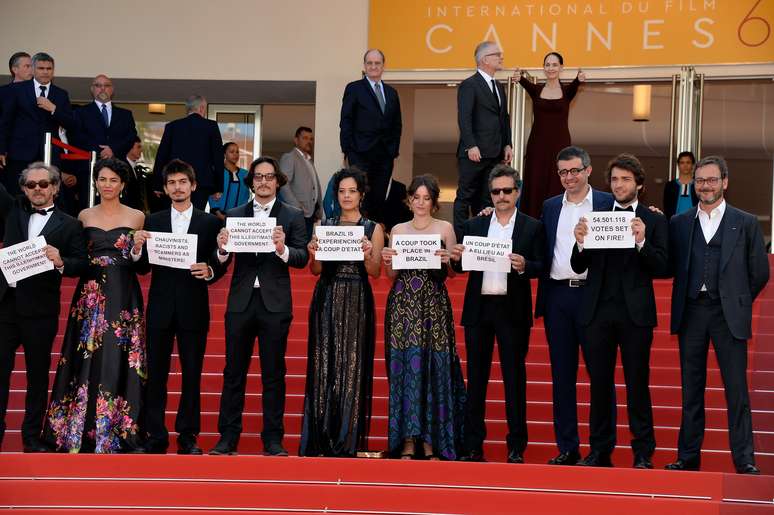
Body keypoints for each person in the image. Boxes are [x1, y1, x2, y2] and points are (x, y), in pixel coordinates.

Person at [666, 156, 769, 475]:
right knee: (690, 388)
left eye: (711, 180)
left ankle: (744, 458)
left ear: (725, 182)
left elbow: (759, 272)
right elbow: (670, 264)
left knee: (736, 390)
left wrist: (736, 300)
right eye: (699, 181)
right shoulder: (679, 223)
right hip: (692, 312)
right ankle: (688, 456)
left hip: (728, 315)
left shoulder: (746, 221)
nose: (705, 186)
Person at [571, 154, 669, 468]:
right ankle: (600, 451)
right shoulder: (596, 216)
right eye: (614, 179)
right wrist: (581, 243)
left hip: (635, 315)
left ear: (638, 184)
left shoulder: (653, 220)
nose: (619, 184)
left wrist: (642, 243)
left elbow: (664, 267)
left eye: (625, 179)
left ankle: (643, 452)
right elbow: (577, 265)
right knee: (599, 384)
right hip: (597, 313)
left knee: (637, 383)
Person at [43, 158, 146, 453]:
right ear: (95, 182)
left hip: (124, 294)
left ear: (123, 184)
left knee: (119, 359)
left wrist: (138, 249)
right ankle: (78, 432)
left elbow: (143, 267)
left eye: (114, 180)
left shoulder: (138, 216)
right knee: (85, 358)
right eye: (102, 179)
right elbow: (78, 257)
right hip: (90, 295)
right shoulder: (84, 215)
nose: (108, 185)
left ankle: (119, 432)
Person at [209, 156, 308, 456]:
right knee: (233, 372)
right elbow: (221, 262)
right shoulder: (235, 214)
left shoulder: (292, 215)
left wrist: (283, 249)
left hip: (274, 304)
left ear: (278, 181)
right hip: (240, 302)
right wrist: (222, 249)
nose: (264, 182)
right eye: (258, 177)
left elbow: (302, 257)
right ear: (251, 181)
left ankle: (273, 439)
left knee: (274, 373)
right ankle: (227, 438)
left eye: (269, 177)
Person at [451, 165, 545, 463]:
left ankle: (516, 445)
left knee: (514, 379)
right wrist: (455, 258)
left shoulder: (532, 227)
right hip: (479, 310)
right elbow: (459, 266)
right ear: (489, 194)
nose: (501, 196)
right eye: (496, 191)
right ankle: (472, 445)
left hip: (513, 310)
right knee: (475, 381)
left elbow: (542, 265)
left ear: (517, 192)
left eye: (507, 190)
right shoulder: (475, 226)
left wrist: (524, 265)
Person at [132, 159, 226, 455]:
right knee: (155, 375)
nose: (177, 187)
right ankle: (155, 435)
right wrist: (136, 248)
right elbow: (144, 267)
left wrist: (211, 268)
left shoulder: (210, 223)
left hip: (193, 307)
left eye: (182, 182)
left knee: (192, 374)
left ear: (193, 186)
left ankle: (188, 436)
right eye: (171, 183)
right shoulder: (153, 221)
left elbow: (219, 260)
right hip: (160, 307)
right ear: (165, 188)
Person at [535, 145, 613, 466]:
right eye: (563, 172)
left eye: (575, 171)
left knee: (600, 375)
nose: (569, 177)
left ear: (588, 171)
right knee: (562, 376)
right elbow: (537, 241)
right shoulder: (550, 206)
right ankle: (567, 447)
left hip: (594, 297)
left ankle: (600, 448)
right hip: (557, 297)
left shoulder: (608, 204)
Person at [0, 163, 87, 452]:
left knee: (37, 378)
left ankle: (30, 437)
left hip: (41, 311)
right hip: (5, 308)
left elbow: (80, 264)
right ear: (23, 189)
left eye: (44, 184)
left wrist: (61, 260)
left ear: (55, 187)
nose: (38, 189)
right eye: (31, 185)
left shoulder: (71, 224)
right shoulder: (12, 210)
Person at [381, 174, 466, 460]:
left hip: (434, 304)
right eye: (415, 197)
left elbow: (454, 273)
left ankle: (431, 441)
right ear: (409, 200)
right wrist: (388, 261)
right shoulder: (398, 229)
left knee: (433, 368)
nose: (420, 202)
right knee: (405, 369)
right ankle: (406, 440)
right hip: (403, 305)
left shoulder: (445, 227)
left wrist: (449, 260)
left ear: (434, 202)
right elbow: (391, 275)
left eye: (426, 198)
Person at [300, 168, 384, 457]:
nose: (346, 196)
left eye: (352, 191)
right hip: (326, 298)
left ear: (361, 194)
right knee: (324, 365)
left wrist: (367, 253)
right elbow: (316, 270)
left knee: (352, 368)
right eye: (341, 191)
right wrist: (314, 254)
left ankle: (346, 439)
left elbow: (375, 273)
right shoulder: (325, 224)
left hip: (357, 299)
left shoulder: (373, 228)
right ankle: (320, 437)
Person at [454, 41, 513, 240]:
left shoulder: (498, 86)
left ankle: (482, 241)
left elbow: (503, 117)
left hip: (495, 153)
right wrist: (471, 145)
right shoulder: (469, 85)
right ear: (485, 59)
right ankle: (461, 242)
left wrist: (508, 143)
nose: (501, 57)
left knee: (488, 198)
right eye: (498, 54)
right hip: (474, 153)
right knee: (465, 197)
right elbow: (464, 117)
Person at [515, 52, 585, 218]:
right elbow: (522, 82)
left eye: (554, 65)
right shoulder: (536, 89)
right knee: (535, 183)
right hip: (537, 147)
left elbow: (576, 83)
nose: (551, 68)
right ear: (543, 68)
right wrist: (518, 77)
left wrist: (579, 79)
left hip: (560, 146)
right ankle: (532, 223)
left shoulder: (568, 91)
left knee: (558, 180)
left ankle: (557, 220)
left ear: (561, 67)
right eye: (547, 65)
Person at [339, 49, 402, 224]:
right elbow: (346, 121)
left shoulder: (392, 93)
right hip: (360, 153)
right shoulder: (354, 88)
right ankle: (359, 234)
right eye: (369, 63)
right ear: (365, 66)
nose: (373, 66)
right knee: (360, 196)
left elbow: (397, 124)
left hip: (385, 156)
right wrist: (348, 152)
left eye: (377, 63)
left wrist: (394, 150)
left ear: (383, 66)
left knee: (379, 198)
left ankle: (373, 235)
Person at [0, 52, 74, 195]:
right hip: (20, 153)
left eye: (49, 68)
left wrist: (53, 109)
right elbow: (5, 122)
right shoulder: (17, 89)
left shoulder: (61, 94)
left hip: (50, 154)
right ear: (33, 70)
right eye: (41, 68)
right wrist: (1, 149)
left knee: (51, 194)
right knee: (18, 195)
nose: (45, 72)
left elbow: (71, 123)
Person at [69, 74, 138, 212]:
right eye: (98, 85)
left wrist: (113, 149)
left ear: (112, 90)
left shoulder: (125, 114)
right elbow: (76, 137)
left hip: (119, 169)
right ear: (92, 89)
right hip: (89, 171)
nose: (102, 89)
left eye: (106, 85)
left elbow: (131, 136)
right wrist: (98, 150)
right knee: (89, 210)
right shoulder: (80, 112)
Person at [152, 95, 223, 210]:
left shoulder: (172, 126)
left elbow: (161, 156)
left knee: (174, 216)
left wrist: (157, 184)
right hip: (202, 183)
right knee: (196, 218)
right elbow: (218, 158)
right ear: (201, 108)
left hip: (176, 182)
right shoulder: (211, 127)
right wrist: (218, 187)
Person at [280, 126, 322, 240]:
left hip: (311, 213)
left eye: (311, 139)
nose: (309, 141)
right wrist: (297, 207)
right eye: (305, 138)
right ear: (296, 140)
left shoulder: (309, 161)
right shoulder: (290, 157)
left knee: (305, 247)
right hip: (298, 213)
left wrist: (318, 208)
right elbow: (283, 184)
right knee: (297, 247)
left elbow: (314, 187)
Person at [209, 142, 249, 221]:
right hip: (217, 217)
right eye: (231, 152)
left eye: (237, 152)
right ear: (224, 154)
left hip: (238, 218)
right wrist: (219, 214)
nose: (235, 154)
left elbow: (246, 195)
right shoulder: (216, 172)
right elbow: (211, 195)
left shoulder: (245, 174)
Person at [663, 151, 699, 219]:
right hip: (674, 224)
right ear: (678, 165)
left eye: (688, 162)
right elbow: (666, 208)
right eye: (682, 163)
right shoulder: (670, 186)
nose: (685, 165)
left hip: (694, 223)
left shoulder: (698, 185)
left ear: (693, 165)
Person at [124, 136, 150, 212]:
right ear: (130, 148)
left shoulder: (135, 168)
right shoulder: (123, 168)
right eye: (138, 147)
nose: (141, 150)